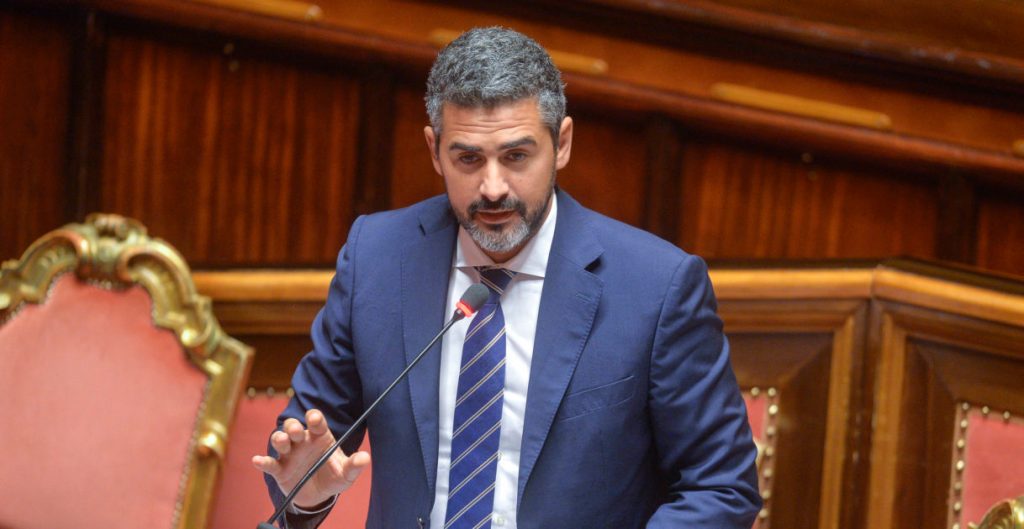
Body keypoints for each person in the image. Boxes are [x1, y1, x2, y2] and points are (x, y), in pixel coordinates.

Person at [253, 26, 761, 529]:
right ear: (434, 150)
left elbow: (721, 487)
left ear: (562, 143)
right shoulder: (377, 258)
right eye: (468, 158)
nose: (493, 188)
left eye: (516, 156)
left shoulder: (657, 285)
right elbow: (304, 450)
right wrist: (304, 494)